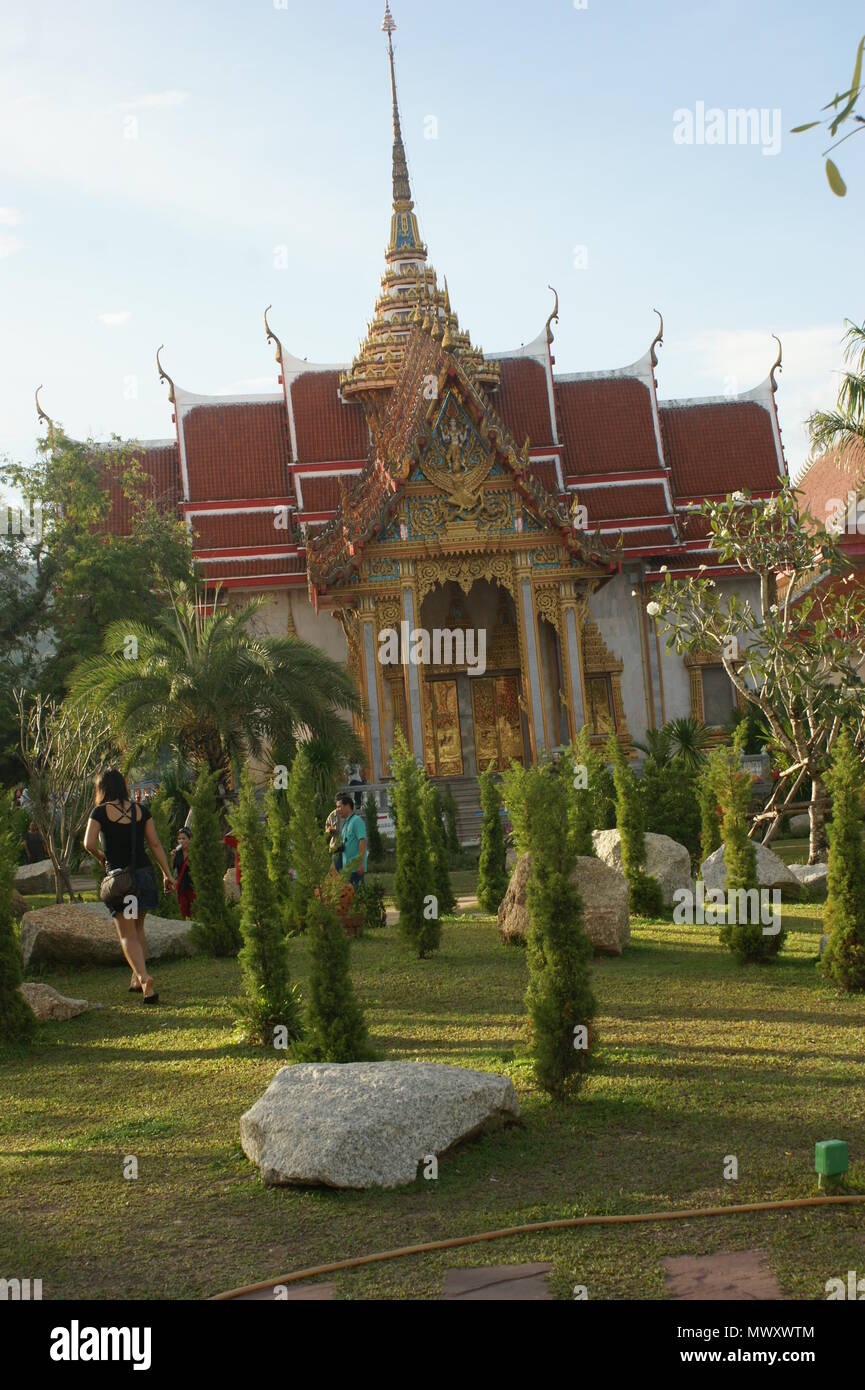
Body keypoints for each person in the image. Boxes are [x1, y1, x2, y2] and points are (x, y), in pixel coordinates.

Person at [83, 770, 175, 1004]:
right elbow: (154, 844)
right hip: (143, 876)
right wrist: (167, 874)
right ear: (123, 787)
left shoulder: (100, 812)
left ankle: (145, 980)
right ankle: (136, 977)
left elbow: (88, 843)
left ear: (102, 788)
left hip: (122, 882)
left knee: (127, 934)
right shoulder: (141, 810)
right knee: (138, 929)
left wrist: (101, 856)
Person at [337, 793, 367, 889]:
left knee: (357, 899)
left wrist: (361, 864)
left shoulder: (356, 821)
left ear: (348, 806)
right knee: (348, 901)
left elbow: (362, 841)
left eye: (339, 807)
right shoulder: (346, 824)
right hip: (347, 870)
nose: (338, 810)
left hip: (355, 869)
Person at [173, 828, 195, 919]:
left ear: (190, 839)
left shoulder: (194, 852)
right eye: (179, 839)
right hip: (181, 886)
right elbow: (173, 867)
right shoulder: (177, 853)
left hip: (192, 885)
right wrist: (172, 857)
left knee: (194, 910)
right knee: (182, 909)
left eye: (184, 838)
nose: (181, 841)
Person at [325, 796, 343, 871]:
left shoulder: (350, 814)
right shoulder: (332, 815)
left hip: (348, 847)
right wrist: (329, 830)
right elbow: (326, 829)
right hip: (336, 848)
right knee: (336, 872)